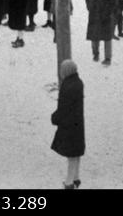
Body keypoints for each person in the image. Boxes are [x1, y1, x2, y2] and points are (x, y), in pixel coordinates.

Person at [51, 59, 85, 189]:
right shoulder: (78, 83)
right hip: (77, 124)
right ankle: (76, 178)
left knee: (71, 154)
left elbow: (64, 107)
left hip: (68, 125)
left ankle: (69, 182)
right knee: (76, 153)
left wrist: (55, 118)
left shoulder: (67, 86)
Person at [85, 0, 117, 64]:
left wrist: (107, 12)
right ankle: (95, 54)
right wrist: (89, 5)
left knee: (107, 37)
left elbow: (113, 0)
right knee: (94, 35)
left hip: (104, 13)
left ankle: (108, 58)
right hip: (94, 12)